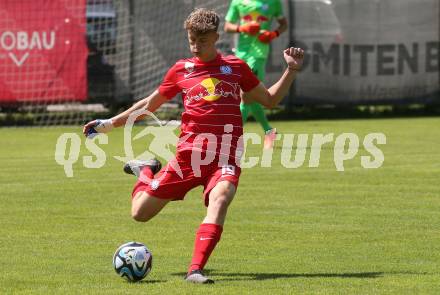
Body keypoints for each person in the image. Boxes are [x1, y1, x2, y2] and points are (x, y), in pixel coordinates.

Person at [83, 8, 303, 284]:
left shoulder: (235, 68)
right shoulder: (181, 70)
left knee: (220, 198)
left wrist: (291, 70)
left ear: (216, 37)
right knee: (139, 214)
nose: (196, 46)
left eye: (203, 41)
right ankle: (145, 171)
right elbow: (148, 106)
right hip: (188, 157)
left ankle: (195, 270)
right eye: (192, 40)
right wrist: (109, 124)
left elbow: (269, 99)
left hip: (225, 155)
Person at [224, 0, 288, 149]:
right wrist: (242, 28)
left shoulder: (274, 3)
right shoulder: (238, 2)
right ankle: (268, 130)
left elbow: (283, 24)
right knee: (250, 97)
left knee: (246, 95)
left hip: (258, 54)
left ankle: (233, 137)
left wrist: (273, 34)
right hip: (241, 54)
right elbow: (227, 27)